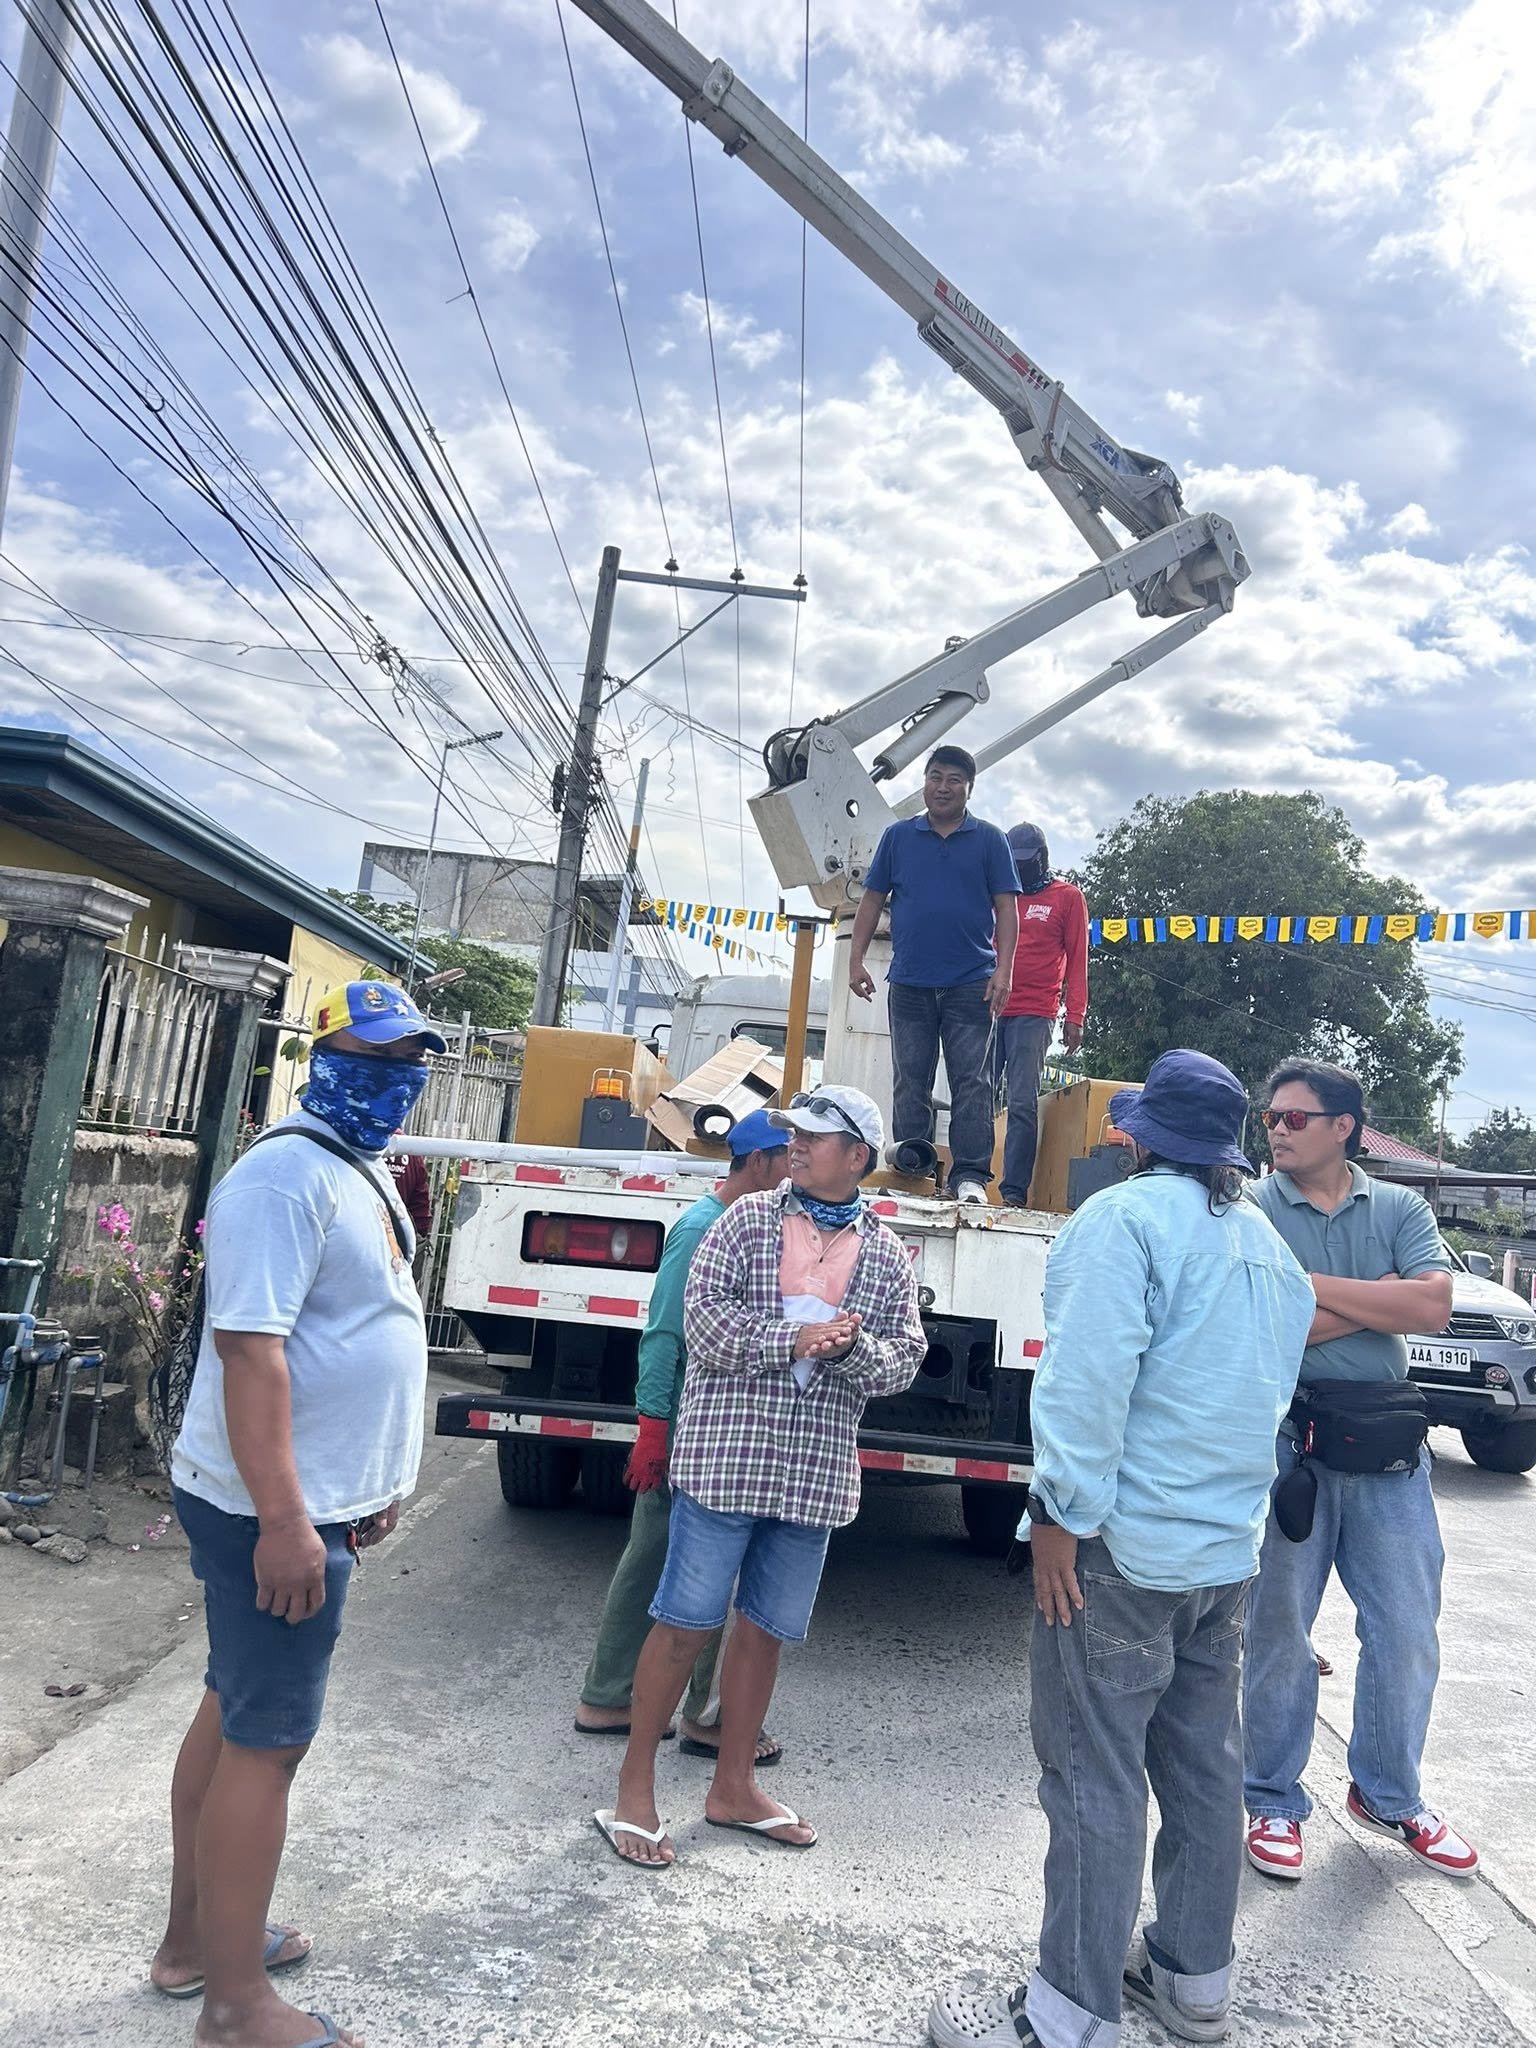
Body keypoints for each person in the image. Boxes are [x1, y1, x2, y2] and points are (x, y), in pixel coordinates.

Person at [929, 1050, 1315, 2048]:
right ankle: (1193, 1983)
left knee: (1093, 1776)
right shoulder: (1269, 1246)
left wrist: (1057, 1514)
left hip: (1120, 1550)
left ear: (1140, 1138)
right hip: (1224, 1557)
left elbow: (1086, 1384)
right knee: (1204, 1771)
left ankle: (1065, 2018)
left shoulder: (1122, 1221)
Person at [152, 980, 445, 2048]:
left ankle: (197, 1942)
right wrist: (288, 1523)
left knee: (232, 1707)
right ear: (318, 1059)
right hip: (271, 1514)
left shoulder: (348, 1165)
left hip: (310, 1504)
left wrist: (369, 1486)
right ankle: (235, 2006)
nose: (392, 1079)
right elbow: (250, 1352)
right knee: (267, 1743)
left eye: (408, 1061)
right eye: (369, 1057)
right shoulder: (283, 1176)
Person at [594, 1085, 927, 1868]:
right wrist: (797, 1339)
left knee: (766, 1631)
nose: (797, 1147)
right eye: (794, 1136)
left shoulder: (885, 1253)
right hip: (724, 1464)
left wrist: (853, 1350)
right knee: (684, 1622)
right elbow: (705, 1326)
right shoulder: (745, 1221)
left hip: (812, 1475)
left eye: (815, 1137)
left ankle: (734, 1787)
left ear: (858, 1156)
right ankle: (635, 1792)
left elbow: (904, 1358)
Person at [1242, 1059, 1476, 1882]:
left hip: (1388, 1448)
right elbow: (1264, 1323)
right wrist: (1377, 1297)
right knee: (1279, 1631)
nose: (1277, 1129)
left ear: (1343, 1127)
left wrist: (1313, 1293)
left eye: (1294, 1118)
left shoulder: (1402, 1207)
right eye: (1271, 1116)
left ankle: (1388, 1795)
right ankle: (1271, 1798)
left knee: (1407, 1631)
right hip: (1291, 1445)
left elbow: (1431, 1306)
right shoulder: (1255, 1208)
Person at [574, 1109, 789, 1762]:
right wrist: (652, 1427)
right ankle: (654, 1707)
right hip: (687, 1427)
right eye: (789, 1157)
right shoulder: (703, 1227)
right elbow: (664, 1332)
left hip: (708, 1424)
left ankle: (639, 1700)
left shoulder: (745, 1223)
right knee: (672, 1562)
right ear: (759, 1162)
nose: (797, 1170)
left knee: (676, 1563)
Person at [848, 745, 1020, 1202]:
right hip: (909, 982)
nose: (943, 787)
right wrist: (855, 959)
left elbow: (1007, 909)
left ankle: (970, 1178)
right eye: (935, 777)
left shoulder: (990, 840)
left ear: (969, 788)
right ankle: (913, 1170)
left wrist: (1004, 970)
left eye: (954, 780)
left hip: (972, 983)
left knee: (973, 1082)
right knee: (910, 1080)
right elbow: (871, 900)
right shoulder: (898, 837)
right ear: (924, 782)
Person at [995, 823, 1089, 1207]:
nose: (1018, 868)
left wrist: (1075, 1015)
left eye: (1024, 862)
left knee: (1021, 1102)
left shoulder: (1067, 897)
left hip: (1034, 1011)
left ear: (1042, 858)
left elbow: (1078, 959)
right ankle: (970, 1176)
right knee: (975, 1096)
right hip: (989, 1005)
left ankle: (1013, 1191)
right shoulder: (999, 895)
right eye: (1012, 861)